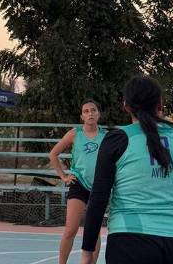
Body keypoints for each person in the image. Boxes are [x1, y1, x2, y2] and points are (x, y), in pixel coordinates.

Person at [80, 76, 173, 264]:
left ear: (126, 106)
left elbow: (98, 198)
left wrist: (87, 250)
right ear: (160, 104)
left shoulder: (118, 139)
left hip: (128, 240)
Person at [49, 99, 106, 264]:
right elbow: (53, 154)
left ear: (98, 114)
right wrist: (63, 176)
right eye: (86, 111)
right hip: (78, 183)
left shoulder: (106, 136)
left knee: (94, 231)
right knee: (70, 229)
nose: (90, 113)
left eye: (93, 110)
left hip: (98, 186)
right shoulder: (75, 134)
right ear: (82, 116)